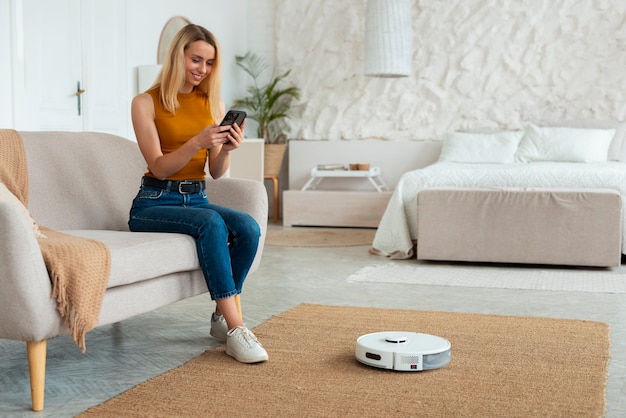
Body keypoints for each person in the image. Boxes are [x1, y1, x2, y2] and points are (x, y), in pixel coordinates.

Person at [128, 24, 268, 364]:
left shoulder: (212, 102)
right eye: (195, 59)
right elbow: (159, 168)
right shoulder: (145, 102)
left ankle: (221, 318)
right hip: (155, 202)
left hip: (197, 198)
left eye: (208, 63)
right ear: (177, 56)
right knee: (211, 223)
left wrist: (228, 148)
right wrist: (196, 142)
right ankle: (236, 329)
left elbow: (216, 172)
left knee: (248, 227)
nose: (202, 69)